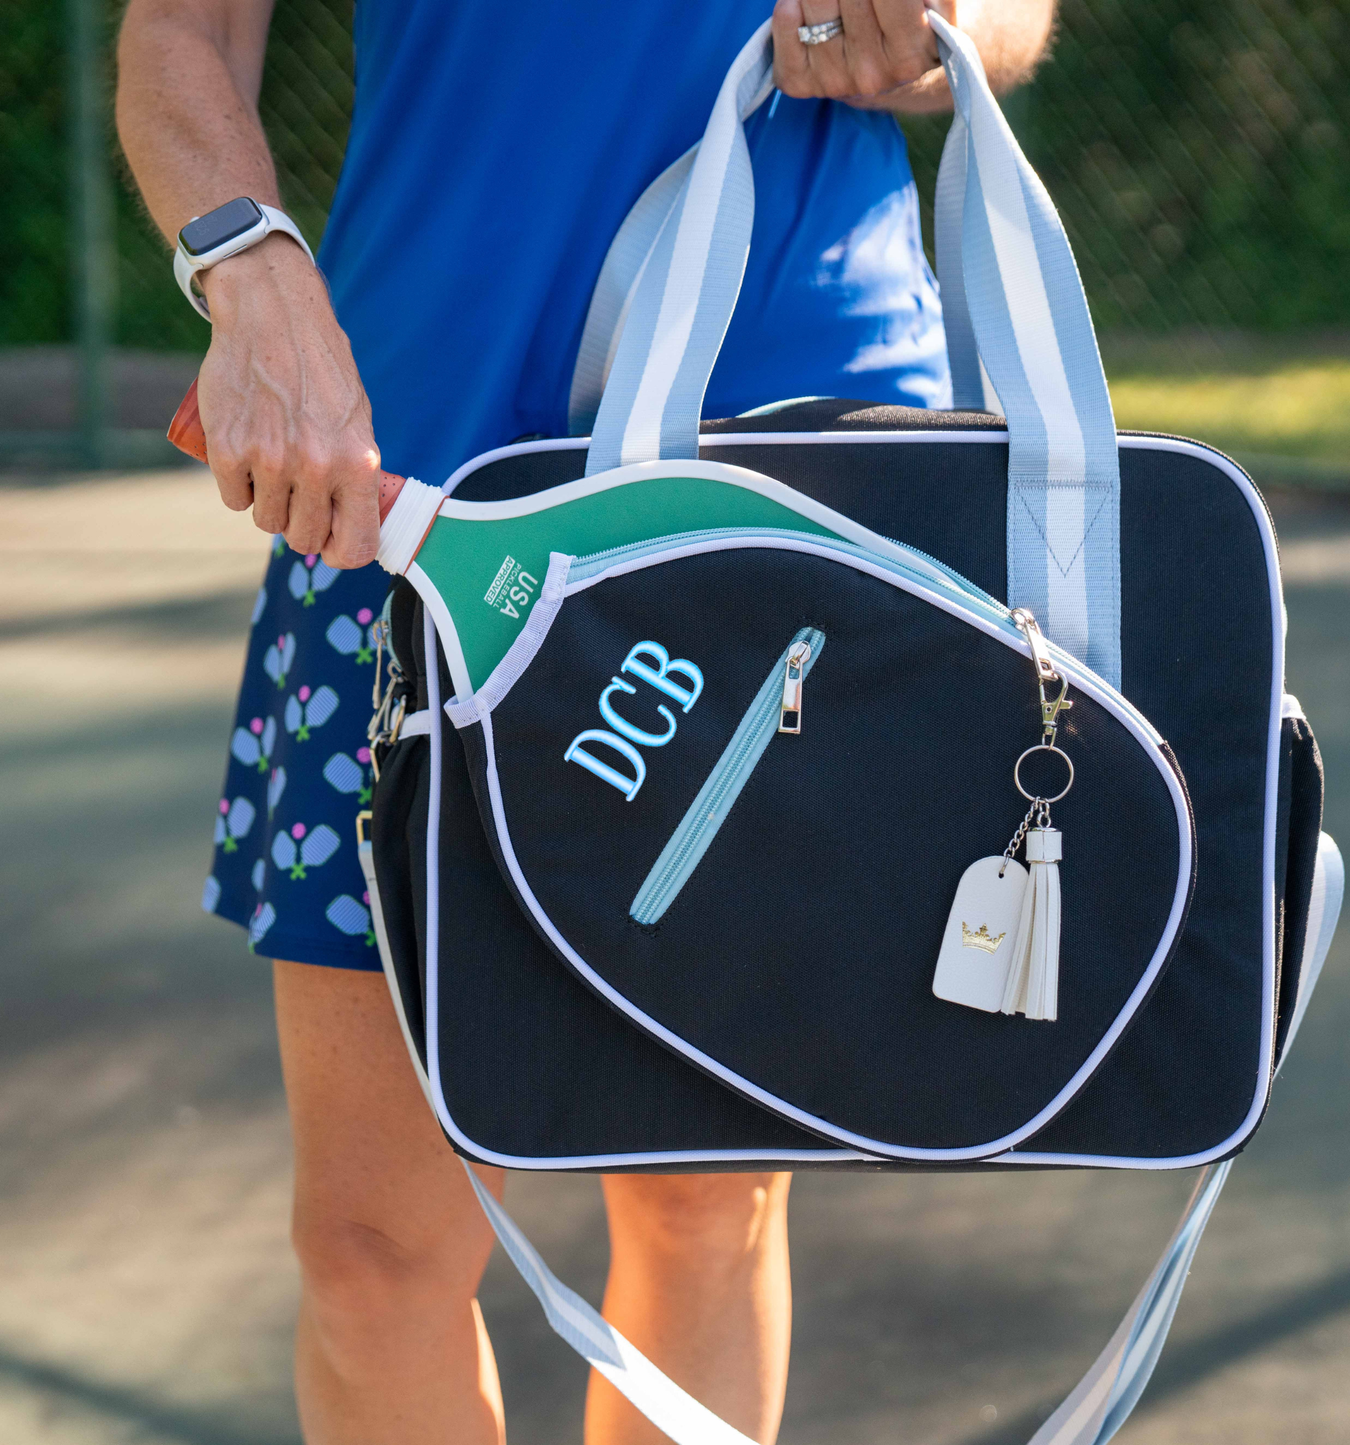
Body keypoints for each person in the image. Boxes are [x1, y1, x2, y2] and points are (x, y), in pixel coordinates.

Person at [115, 2, 1055, 1441]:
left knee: (703, 1196)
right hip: (415, 468)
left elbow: (1006, 13)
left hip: (781, 467)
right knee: (370, 1255)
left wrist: (936, 26)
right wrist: (248, 262)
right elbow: (182, 29)